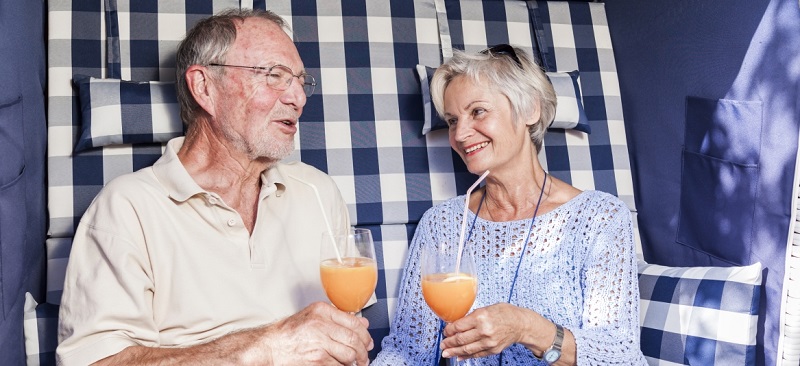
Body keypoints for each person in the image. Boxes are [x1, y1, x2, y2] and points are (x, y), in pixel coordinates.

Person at [56, 9, 373, 366]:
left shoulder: (318, 190)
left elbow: (353, 330)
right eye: (275, 76)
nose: (298, 98)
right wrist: (267, 347)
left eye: (301, 81)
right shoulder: (127, 208)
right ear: (204, 87)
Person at [373, 45, 647, 365]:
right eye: (451, 120)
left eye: (477, 111)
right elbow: (407, 351)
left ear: (530, 109)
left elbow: (622, 357)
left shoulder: (600, 218)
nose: (460, 134)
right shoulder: (442, 223)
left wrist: (527, 327)